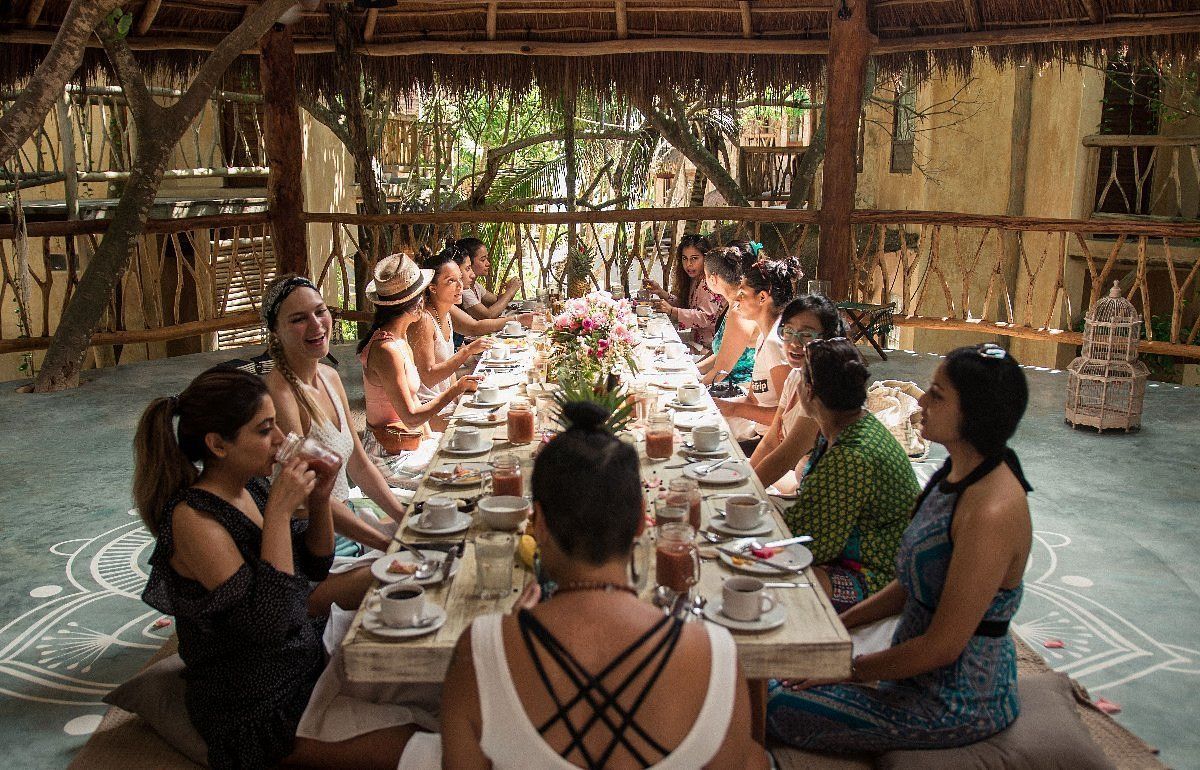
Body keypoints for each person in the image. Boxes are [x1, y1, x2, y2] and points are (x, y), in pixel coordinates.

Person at [441, 401, 767, 769]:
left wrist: (511, 631)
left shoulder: (481, 649)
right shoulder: (717, 657)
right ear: (642, 522)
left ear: (540, 525)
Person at [133, 367, 419, 769]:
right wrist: (281, 513)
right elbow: (275, 620)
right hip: (258, 705)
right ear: (217, 444)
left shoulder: (250, 485)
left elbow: (315, 566)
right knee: (416, 747)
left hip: (302, 660)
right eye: (266, 429)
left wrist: (319, 499)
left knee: (425, 688)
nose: (283, 440)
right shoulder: (194, 521)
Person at [767, 343, 1033, 753]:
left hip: (950, 700)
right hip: (908, 672)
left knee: (769, 695)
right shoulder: (955, 471)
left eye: (938, 395)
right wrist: (838, 631)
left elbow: (943, 646)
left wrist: (845, 667)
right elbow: (908, 584)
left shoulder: (991, 510)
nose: (922, 401)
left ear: (974, 414)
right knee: (765, 661)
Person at [262, 275, 404, 553]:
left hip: (347, 518)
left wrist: (404, 518)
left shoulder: (328, 376)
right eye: (298, 319)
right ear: (276, 331)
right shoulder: (281, 396)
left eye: (320, 311)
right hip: (314, 537)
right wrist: (387, 543)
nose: (316, 325)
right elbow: (313, 495)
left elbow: (359, 463)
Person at [777, 338, 919, 612]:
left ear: (808, 391)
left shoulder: (850, 455)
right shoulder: (849, 425)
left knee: (785, 581)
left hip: (881, 573)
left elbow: (813, 546)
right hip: (855, 549)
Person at [358, 253, 483, 455]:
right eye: (421, 294)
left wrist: (432, 441)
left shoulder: (399, 338)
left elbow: (414, 404)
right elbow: (411, 417)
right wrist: (456, 389)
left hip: (413, 440)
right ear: (410, 302)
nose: (424, 300)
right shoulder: (386, 349)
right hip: (390, 451)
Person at [751, 294, 845, 492]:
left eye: (807, 335)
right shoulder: (796, 375)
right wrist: (745, 477)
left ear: (828, 338)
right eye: (788, 331)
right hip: (802, 476)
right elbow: (771, 441)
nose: (794, 342)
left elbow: (788, 454)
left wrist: (744, 489)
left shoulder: (825, 386)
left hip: (828, 490)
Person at [714, 255, 801, 453]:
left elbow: (788, 415)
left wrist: (733, 409)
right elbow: (752, 400)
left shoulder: (776, 343)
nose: (736, 299)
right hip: (761, 438)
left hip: (774, 446)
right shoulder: (764, 337)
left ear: (762, 297)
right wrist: (712, 405)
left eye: (743, 293)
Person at [407, 250, 495, 408]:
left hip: (445, 400)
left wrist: (459, 398)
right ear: (433, 288)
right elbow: (428, 377)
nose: (460, 286)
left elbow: (450, 375)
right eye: (451, 281)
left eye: (460, 279)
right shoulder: (424, 320)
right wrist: (467, 351)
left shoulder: (446, 313)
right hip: (427, 405)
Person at [642, 234, 724, 348]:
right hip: (696, 341)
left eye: (694, 258)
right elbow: (686, 305)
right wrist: (660, 292)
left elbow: (705, 317)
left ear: (705, 258)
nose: (688, 264)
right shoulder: (695, 279)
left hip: (710, 347)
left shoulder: (709, 282)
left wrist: (672, 311)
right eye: (685, 258)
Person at [695, 244, 758, 386]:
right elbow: (722, 356)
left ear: (714, 279)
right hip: (726, 384)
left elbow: (721, 371)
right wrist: (691, 370)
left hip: (740, 390)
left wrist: (691, 388)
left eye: (705, 276)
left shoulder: (740, 310)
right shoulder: (732, 303)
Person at [458, 237, 523, 320]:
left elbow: (497, 300)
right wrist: (510, 292)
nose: (488, 263)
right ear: (468, 262)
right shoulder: (463, 291)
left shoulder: (475, 285)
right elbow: (488, 315)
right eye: (483, 260)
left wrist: (510, 290)